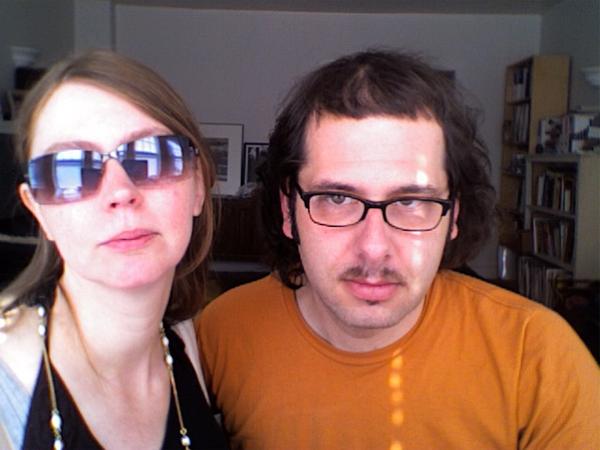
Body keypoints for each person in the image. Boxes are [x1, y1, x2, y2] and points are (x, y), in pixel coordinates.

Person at [197, 50, 599, 449]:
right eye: (337, 198)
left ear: (453, 215)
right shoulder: (221, 333)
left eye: (411, 201)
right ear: (289, 210)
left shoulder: (538, 353)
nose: (374, 249)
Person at [0, 50, 228, 449]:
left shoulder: (185, 340)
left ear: (198, 185)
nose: (120, 192)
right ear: (39, 211)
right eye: (70, 169)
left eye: (152, 156)